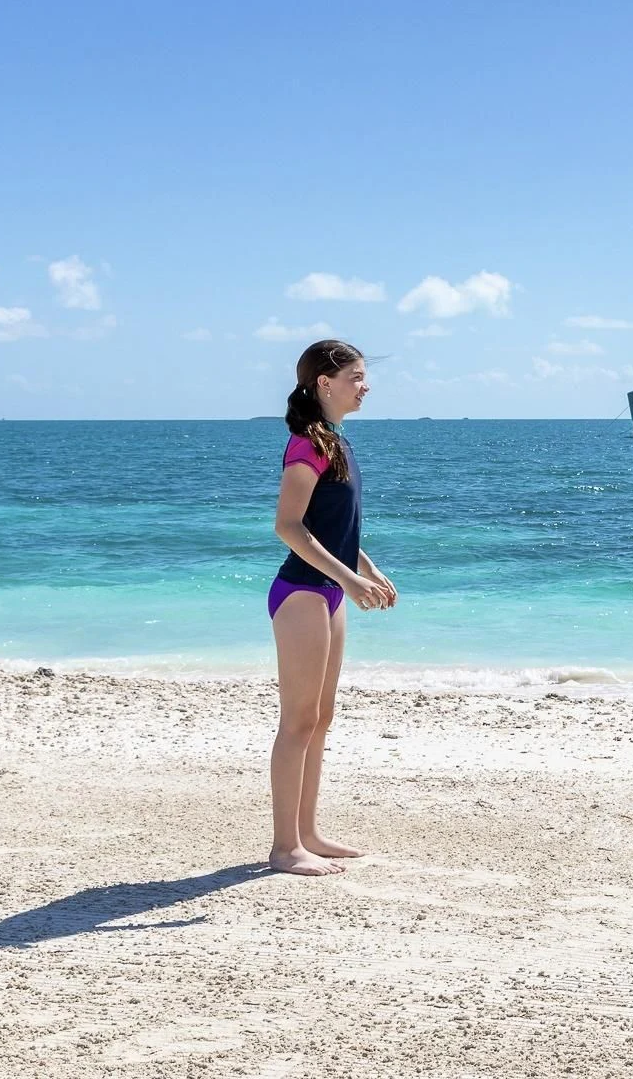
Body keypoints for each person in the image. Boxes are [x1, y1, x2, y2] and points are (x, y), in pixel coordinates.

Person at [267, 340, 396, 876]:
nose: (365, 386)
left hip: (330, 592)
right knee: (297, 720)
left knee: (321, 718)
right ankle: (283, 847)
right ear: (326, 382)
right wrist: (346, 576)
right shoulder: (307, 445)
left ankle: (309, 833)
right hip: (301, 594)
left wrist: (364, 567)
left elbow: (332, 527)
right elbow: (288, 526)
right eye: (357, 377)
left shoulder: (336, 442)